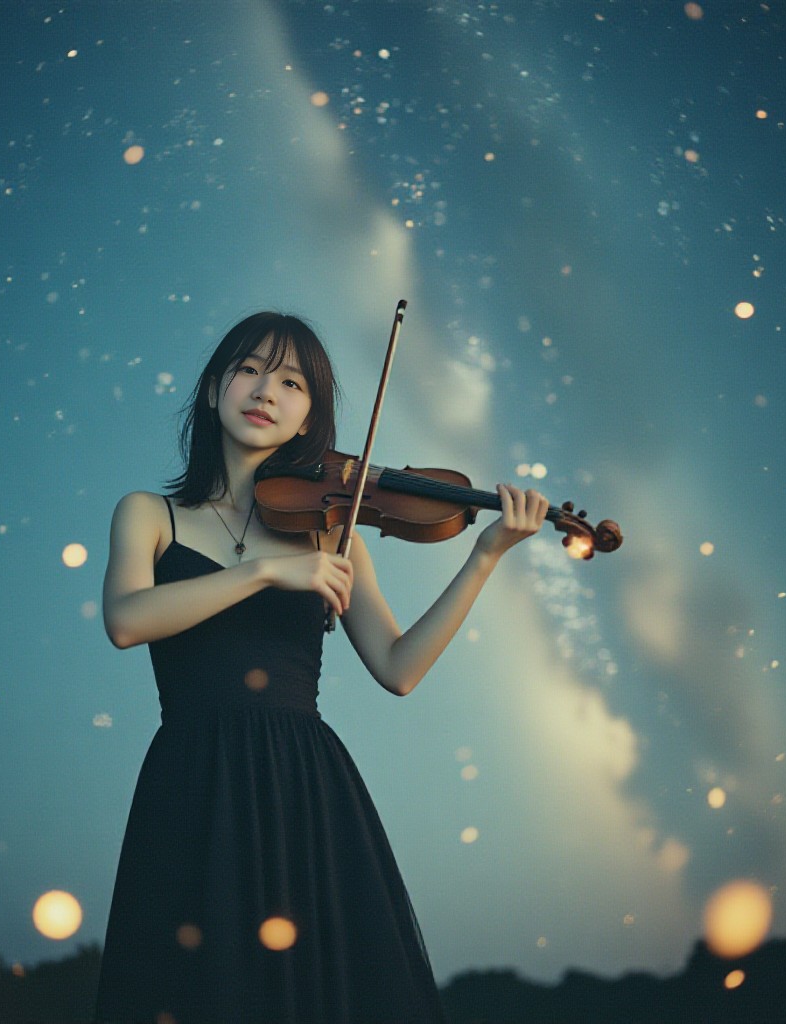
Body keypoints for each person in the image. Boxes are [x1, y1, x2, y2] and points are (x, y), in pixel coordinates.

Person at [94, 311, 547, 1024]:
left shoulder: (333, 533)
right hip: (192, 777)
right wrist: (264, 572)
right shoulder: (151, 514)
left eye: (291, 382)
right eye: (249, 370)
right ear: (213, 389)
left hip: (302, 784)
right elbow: (127, 620)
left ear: (309, 416)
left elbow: (399, 667)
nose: (265, 392)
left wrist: (484, 556)